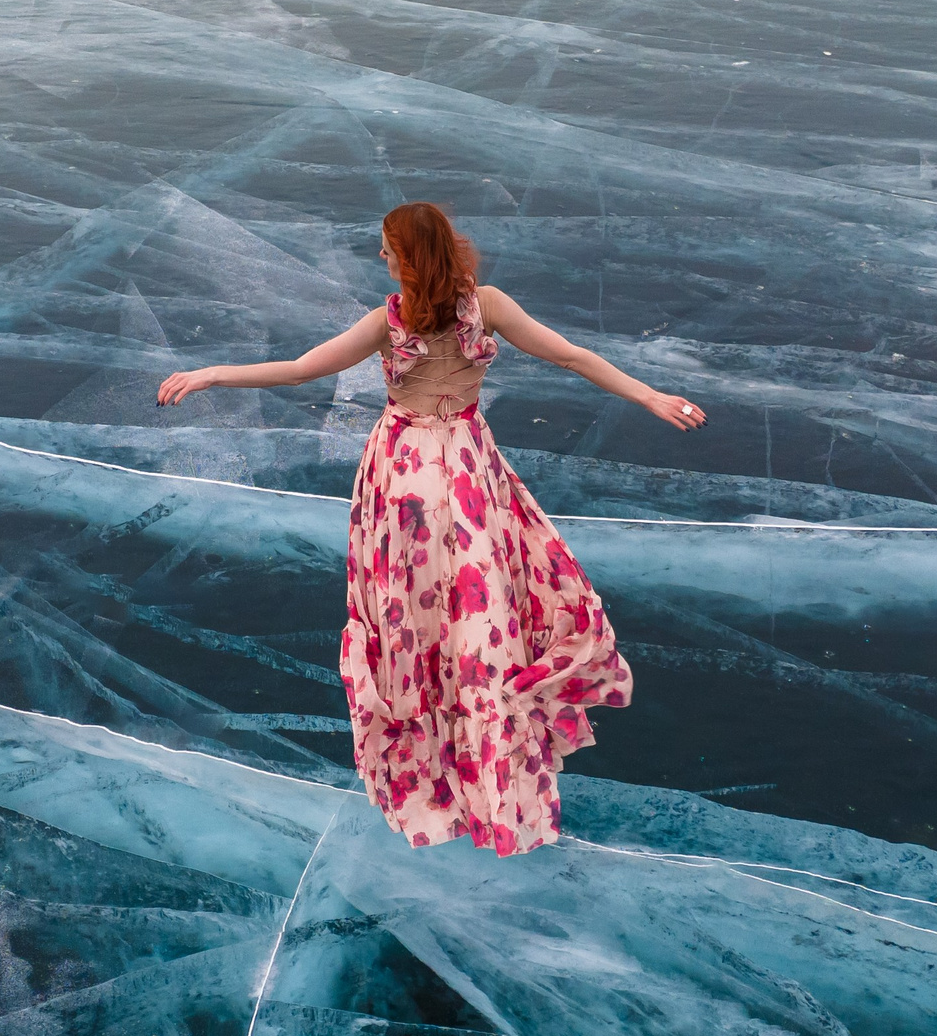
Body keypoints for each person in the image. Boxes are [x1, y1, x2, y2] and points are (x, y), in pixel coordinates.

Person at [157, 201, 705, 855]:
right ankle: (487, 735)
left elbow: (303, 369)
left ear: (411, 259)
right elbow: (572, 357)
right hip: (467, 468)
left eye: (389, 250)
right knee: (480, 602)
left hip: (406, 474)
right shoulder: (488, 306)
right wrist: (650, 396)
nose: (381, 258)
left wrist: (212, 374)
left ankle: (434, 743)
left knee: (415, 613)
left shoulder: (387, 322)